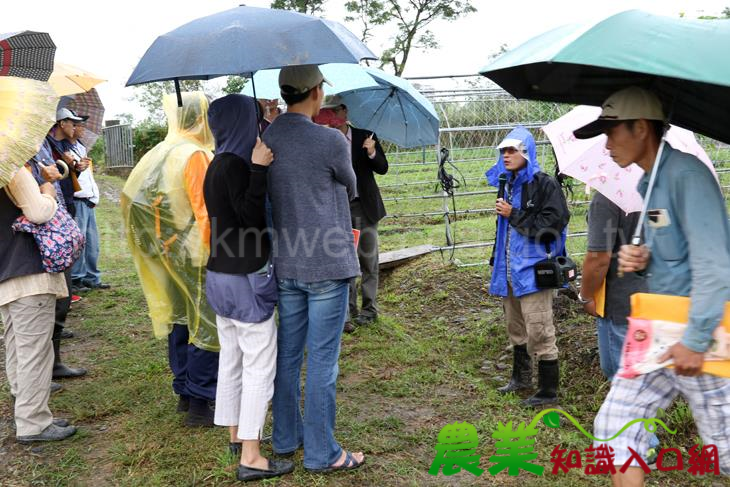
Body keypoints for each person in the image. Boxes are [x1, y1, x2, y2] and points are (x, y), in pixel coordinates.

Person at [575, 86, 730, 485]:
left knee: (725, 449)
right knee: (615, 430)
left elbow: (714, 265)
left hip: (702, 329)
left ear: (640, 128)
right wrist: (645, 258)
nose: (606, 144)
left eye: (611, 132)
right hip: (656, 330)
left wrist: (696, 340)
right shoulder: (650, 183)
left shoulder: (687, 176)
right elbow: (677, 253)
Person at [263, 65, 365, 472]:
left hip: (286, 261)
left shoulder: (267, 137)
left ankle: (286, 439)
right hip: (327, 261)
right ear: (317, 93)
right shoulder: (330, 140)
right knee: (323, 359)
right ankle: (323, 454)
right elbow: (352, 186)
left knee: (288, 355)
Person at [203, 93, 294, 482]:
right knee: (259, 366)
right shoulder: (239, 166)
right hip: (245, 275)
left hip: (219, 274)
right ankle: (253, 456)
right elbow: (250, 219)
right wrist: (259, 171)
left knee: (232, 359)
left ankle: (236, 434)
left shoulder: (215, 163)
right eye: (254, 117)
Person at [121, 91, 220, 427]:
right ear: (202, 116)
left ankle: (183, 391)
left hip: (165, 252)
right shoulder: (194, 154)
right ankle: (200, 401)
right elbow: (205, 209)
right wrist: (217, 250)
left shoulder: (159, 152)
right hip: (195, 253)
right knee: (204, 322)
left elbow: (133, 200)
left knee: (181, 319)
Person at [485, 126, 569, 407]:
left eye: (511, 150)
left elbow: (554, 224)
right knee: (516, 326)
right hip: (509, 269)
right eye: (503, 151)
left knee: (540, 329)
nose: (506, 156)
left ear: (526, 152)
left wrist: (515, 214)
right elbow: (503, 231)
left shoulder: (545, 184)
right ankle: (520, 378)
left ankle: (548, 392)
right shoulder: (505, 183)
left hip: (534, 271)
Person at [1, 166, 77, 442]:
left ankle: (26, 405)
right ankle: (33, 422)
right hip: (28, 271)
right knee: (35, 350)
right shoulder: (9, 164)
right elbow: (38, 212)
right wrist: (48, 192)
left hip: (6, 272)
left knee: (17, 344)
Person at [319, 95, 389, 332]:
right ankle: (348, 312)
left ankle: (369, 310)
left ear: (344, 112)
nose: (330, 117)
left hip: (364, 206)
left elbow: (382, 168)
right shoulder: (323, 139)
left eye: (333, 112)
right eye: (325, 112)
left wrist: (371, 152)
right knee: (343, 261)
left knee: (368, 259)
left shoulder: (365, 136)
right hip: (337, 210)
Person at [580, 193, 646, 380]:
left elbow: (598, 259)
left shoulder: (607, 198)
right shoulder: (658, 187)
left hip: (621, 303)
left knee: (622, 378)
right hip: (656, 299)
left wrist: (585, 296)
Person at [69, 120, 109, 290]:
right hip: (77, 200)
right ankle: (77, 279)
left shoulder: (80, 146)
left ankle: (92, 277)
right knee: (79, 242)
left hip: (89, 200)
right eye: (78, 125)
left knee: (93, 243)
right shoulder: (63, 148)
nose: (82, 128)